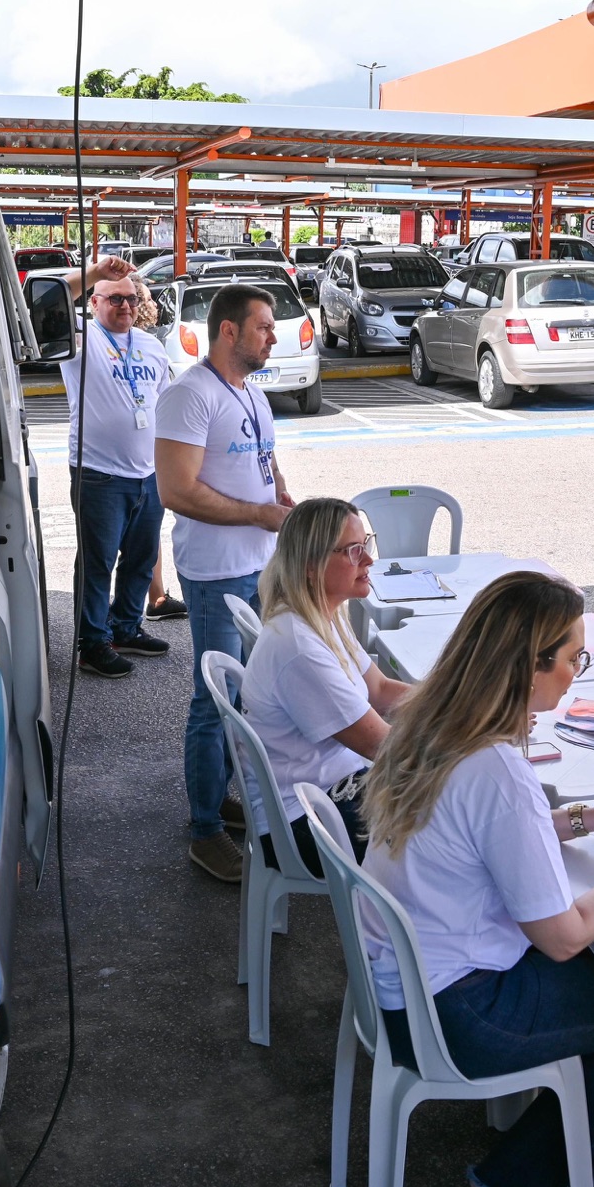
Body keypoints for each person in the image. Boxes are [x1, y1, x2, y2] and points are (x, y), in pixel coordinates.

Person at [361, 572, 594, 1187]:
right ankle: (534, 1173)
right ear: (531, 665)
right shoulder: (496, 768)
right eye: (573, 656)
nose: (578, 670)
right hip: (459, 1013)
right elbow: (563, 937)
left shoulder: (431, 721)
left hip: (404, 987)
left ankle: (570, 1149)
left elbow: (483, 833)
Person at [156, 283, 295, 883]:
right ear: (229, 331)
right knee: (214, 704)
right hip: (216, 570)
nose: (273, 335)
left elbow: (263, 458)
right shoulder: (189, 395)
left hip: (258, 563)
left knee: (246, 696)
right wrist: (260, 515)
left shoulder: (250, 393)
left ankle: (219, 801)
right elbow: (177, 490)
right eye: (263, 326)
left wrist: (279, 495)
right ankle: (204, 831)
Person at [241, 498, 411, 873]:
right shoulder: (299, 647)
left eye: (366, 544)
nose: (368, 560)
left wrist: (458, 704)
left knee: (458, 806)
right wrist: (471, 732)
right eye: (354, 551)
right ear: (310, 566)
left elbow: (380, 690)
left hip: (330, 787)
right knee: (456, 827)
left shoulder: (322, 614)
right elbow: (383, 746)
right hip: (302, 820)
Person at [61, 272, 173, 678]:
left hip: (148, 471)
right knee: (97, 563)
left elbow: (164, 402)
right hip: (99, 473)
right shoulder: (80, 340)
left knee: (141, 559)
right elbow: (43, 306)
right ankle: (91, 643)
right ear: (94, 303)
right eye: (113, 299)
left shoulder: (150, 345)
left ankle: (126, 627)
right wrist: (94, 272)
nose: (124, 305)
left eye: (130, 298)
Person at [131, 279, 186, 621]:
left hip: (149, 459)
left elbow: (163, 398)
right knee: (133, 540)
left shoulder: (151, 346)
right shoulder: (98, 341)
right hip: (122, 465)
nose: (153, 304)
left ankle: (157, 598)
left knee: (149, 534)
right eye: (148, 298)